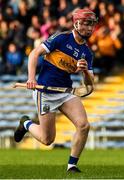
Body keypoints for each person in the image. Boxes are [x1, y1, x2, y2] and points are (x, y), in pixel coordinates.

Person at [14, 8, 98, 173]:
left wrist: (85, 71)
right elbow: (34, 54)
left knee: (83, 125)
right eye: (87, 24)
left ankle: (71, 165)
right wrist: (31, 78)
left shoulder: (87, 53)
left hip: (65, 91)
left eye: (92, 25)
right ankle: (25, 123)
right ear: (77, 23)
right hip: (45, 91)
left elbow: (89, 85)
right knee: (47, 140)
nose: (90, 28)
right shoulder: (61, 38)